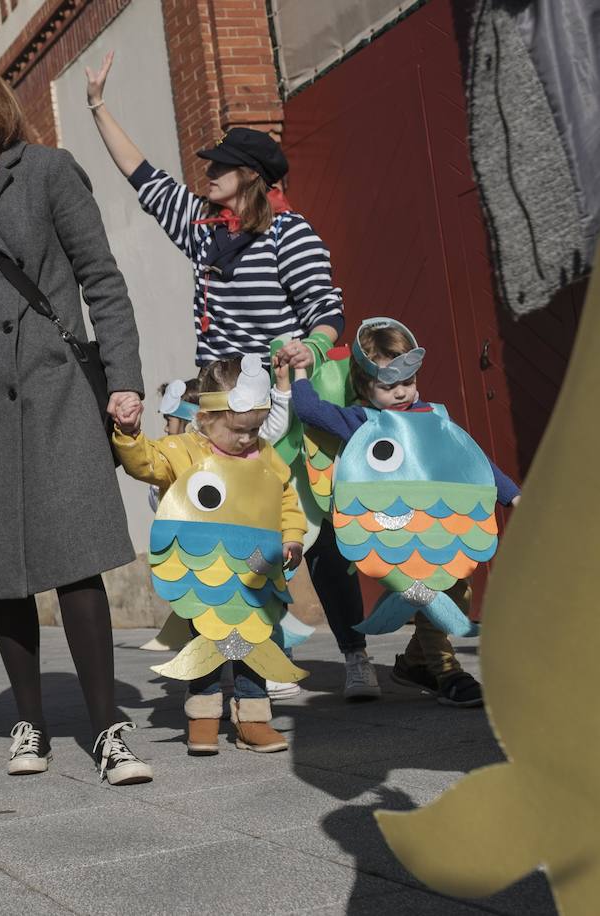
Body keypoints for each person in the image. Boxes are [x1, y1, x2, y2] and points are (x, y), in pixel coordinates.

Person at [84, 51, 379, 701]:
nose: (207, 173)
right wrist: (97, 106)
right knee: (232, 531)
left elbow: (326, 308)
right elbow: (144, 177)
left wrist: (312, 346)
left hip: (279, 398)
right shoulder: (201, 233)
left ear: (250, 178)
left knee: (315, 533)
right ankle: (264, 652)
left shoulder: (288, 235)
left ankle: (355, 653)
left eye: (219, 166)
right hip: (220, 401)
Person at [0, 57, 152, 786]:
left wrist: (126, 380)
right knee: (2, 572)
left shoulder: (50, 172)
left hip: (53, 391)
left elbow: (101, 280)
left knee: (73, 562)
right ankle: (30, 721)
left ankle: (109, 725)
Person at [291, 318, 521, 708]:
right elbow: (310, 410)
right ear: (365, 388)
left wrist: (512, 496)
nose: (401, 392)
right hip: (397, 531)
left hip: (441, 526)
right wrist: (299, 371)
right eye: (388, 385)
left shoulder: (436, 418)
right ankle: (446, 671)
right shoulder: (363, 421)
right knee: (427, 589)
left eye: (408, 382)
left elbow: (472, 461)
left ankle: (415, 663)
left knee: (458, 591)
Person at [115, 357, 305, 753]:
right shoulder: (184, 450)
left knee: (254, 640)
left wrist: (292, 537)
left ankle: (253, 718)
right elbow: (147, 462)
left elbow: (286, 498)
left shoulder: (265, 455)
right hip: (207, 572)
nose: (247, 439)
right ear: (204, 417)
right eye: (238, 430)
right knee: (207, 637)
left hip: (256, 570)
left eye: (254, 429)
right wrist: (129, 434)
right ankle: (202, 714)